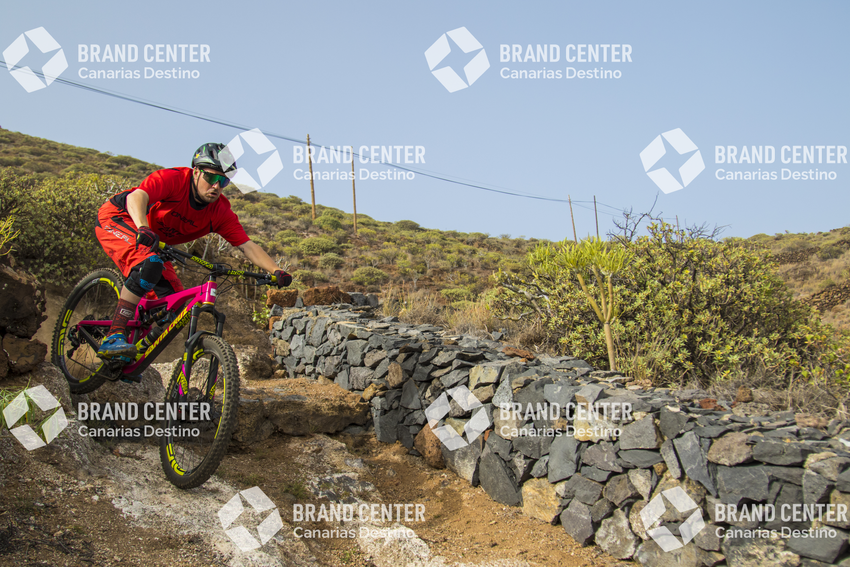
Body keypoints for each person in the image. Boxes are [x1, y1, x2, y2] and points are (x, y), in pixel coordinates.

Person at [94, 142, 291, 358]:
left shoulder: (220, 212)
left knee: (175, 304)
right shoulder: (174, 179)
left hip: (153, 240)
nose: (216, 186)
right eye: (211, 177)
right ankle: (114, 335)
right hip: (119, 217)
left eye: (223, 181)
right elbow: (136, 197)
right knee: (149, 265)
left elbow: (247, 246)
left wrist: (276, 271)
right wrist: (143, 226)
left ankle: (132, 356)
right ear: (196, 172)